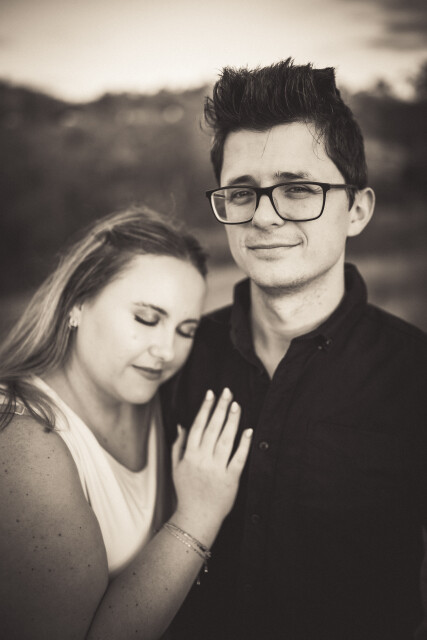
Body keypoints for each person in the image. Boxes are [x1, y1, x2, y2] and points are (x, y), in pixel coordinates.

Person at [161, 59, 427, 639]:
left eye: (298, 189)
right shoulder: (174, 358)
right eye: (242, 193)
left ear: (357, 209)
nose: (263, 217)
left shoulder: (415, 376)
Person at [0, 206, 253, 639]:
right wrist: (199, 514)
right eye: (146, 319)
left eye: (186, 330)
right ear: (77, 302)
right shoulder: (21, 440)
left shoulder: (155, 400)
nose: (166, 351)